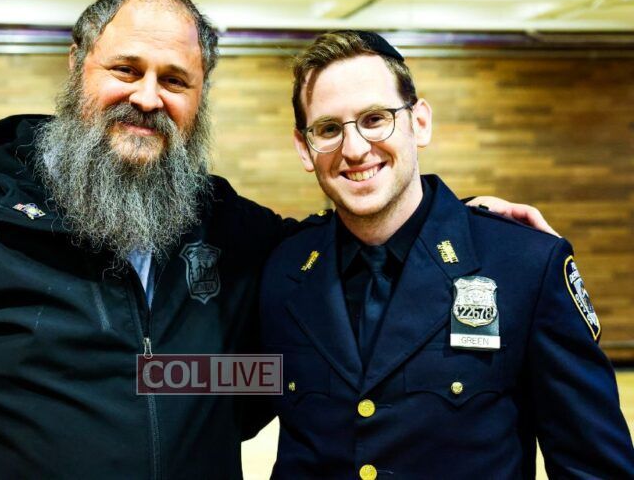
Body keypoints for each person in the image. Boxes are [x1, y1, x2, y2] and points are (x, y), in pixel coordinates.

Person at [0, 0, 553, 479]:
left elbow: (350, 236)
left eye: (175, 80)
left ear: (199, 98)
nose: (148, 97)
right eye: (126, 69)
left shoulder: (228, 229)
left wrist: (463, 225)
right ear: (78, 67)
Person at [259, 30, 634, 479]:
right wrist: (171, 374)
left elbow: (595, 468)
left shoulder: (524, 266)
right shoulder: (283, 270)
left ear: (419, 122)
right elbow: (224, 391)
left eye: (375, 119)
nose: (354, 148)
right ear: (305, 147)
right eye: (329, 129)